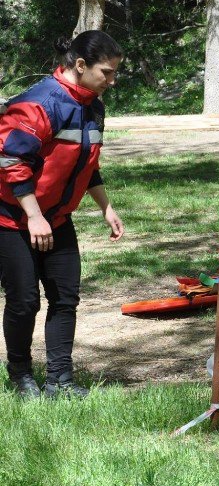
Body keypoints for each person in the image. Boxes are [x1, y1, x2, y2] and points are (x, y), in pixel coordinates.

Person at [0, 31, 125, 399]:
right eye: (107, 72)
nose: (112, 81)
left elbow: (87, 163)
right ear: (80, 65)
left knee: (65, 297)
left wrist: (106, 206)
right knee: (24, 301)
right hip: (11, 219)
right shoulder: (38, 104)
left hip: (54, 219)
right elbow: (10, 161)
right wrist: (34, 216)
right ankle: (21, 375)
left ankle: (59, 381)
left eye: (116, 73)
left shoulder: (93, 106)